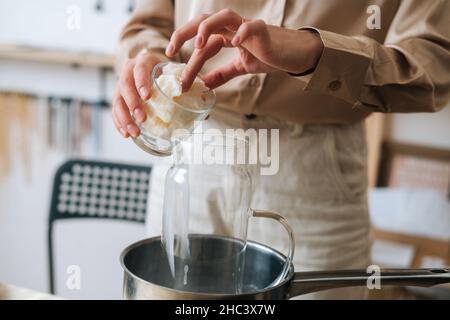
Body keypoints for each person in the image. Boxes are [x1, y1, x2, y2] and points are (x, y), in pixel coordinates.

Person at [112, 0, 450, 298]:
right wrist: (147, 59)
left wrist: (316, 52)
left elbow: (434, 66)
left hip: (316, 166)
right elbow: (148, 23)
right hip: (194, 147)